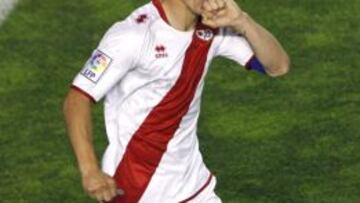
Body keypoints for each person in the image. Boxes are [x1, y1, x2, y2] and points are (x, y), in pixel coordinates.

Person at [63, 0, 290, 202]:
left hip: (194, 188)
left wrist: (242, 21)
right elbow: (78, 98)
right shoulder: (132, 35)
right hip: (136, 189)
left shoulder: (213, 26)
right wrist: (90, 170)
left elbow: (278, 66)